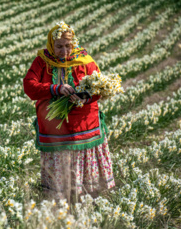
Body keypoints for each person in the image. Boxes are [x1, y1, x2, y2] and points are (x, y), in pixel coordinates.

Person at [23, 21, 115, 202]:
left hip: (83, 124)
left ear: (74, 44)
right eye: (59, 47)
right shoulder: (43, 61)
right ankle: (60, 196)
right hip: (54, 125)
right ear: (51, 44)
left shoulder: (85, 61)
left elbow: (99, 88)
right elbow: (29, 87)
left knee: (83, 160)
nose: (64, 51)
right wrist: (54, 89)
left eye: (67, 46)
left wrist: (84, 98)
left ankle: (89, 196)